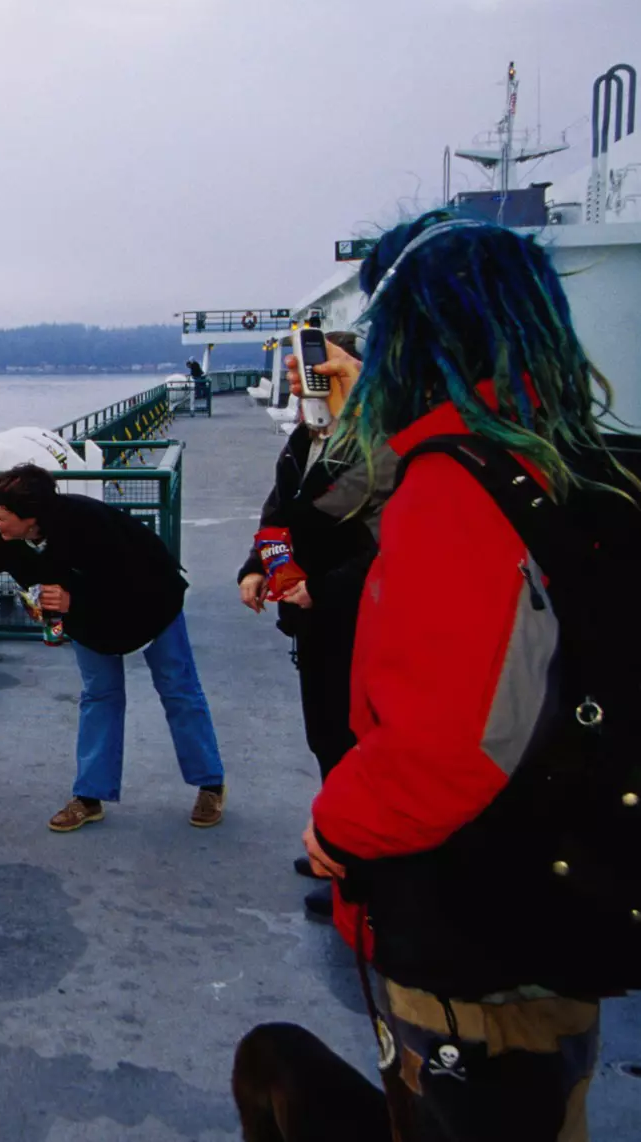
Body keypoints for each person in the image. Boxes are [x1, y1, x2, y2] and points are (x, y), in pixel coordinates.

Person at [302, 212, 641, 1140]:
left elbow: (447, 752)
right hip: (571, 885)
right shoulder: (587, 466)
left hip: (477, 921)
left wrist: (338, 824)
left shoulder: (454, 489)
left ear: (408, 338)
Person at [0, 464, 226, 832]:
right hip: (93, 624)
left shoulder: (89, 523)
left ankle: (209, 784)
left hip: (152, 605)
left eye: (0, 517)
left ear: (31, 518)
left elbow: (135, 581)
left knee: (179, 691)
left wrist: (76, 598)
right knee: (100, 697)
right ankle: (89, 796)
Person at [235, 331, 389, 917]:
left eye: (314, 375)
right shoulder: (305, 439)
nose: (300, 386)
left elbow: (386, 546)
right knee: (327, 736)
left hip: (360, 623)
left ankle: (362, 871)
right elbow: (278, 516)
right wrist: (260, 568)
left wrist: (319, 588)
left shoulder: (378, 451)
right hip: (314, 624)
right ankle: (339, 842)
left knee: (361, 744)